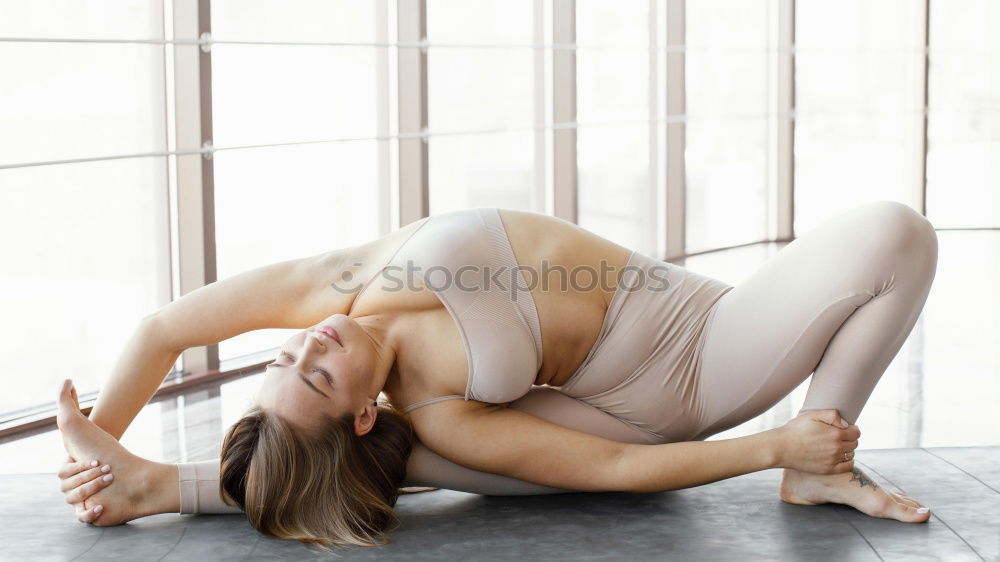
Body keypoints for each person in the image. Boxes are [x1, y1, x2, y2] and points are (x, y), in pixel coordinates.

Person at [54, 201, 938, 548]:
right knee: (415, 452)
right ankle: (814, 465)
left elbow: (164, 327)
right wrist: (772, 442)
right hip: (679, 395)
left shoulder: (343, 286)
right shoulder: (431, 413)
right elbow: (618, 471)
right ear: (361, 409)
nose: (313, 342)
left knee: (892, 233)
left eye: (289, 355)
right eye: (318, 376)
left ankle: (155, 482)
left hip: (700, 324)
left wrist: (98, 432)